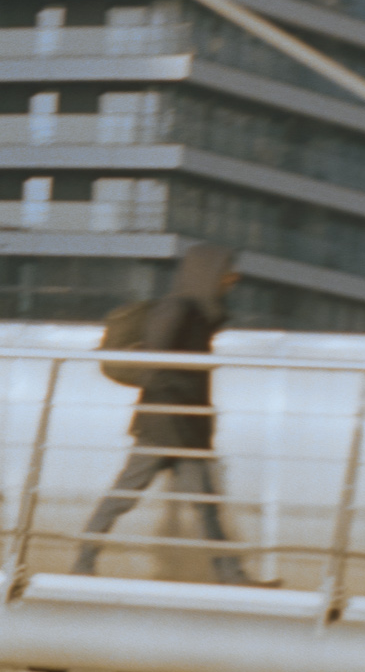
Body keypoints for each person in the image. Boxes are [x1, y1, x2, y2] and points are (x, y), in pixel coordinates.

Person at [71, 241, 253, 584]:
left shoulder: (200, 313)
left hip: (186, 427)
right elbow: (155, 364)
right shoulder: (176, 309)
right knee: (123, 498)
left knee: (205, 507)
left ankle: (232, 575)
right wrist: (177, 405)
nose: (233, 279)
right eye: (227, 272)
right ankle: (83, 562)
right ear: (208, 273)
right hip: (163, 425)